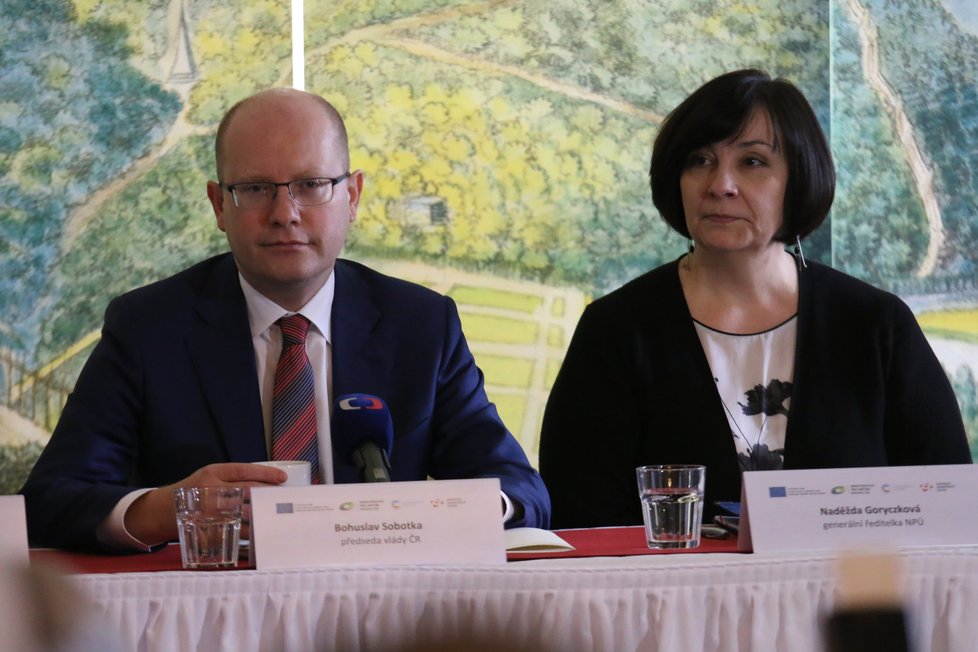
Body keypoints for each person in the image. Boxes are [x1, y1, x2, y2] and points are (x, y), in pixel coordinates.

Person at [21, 88, 550, 551]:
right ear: (218, 205)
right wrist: (169, 509)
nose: (284, 213)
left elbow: (519, 490)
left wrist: (447, 511)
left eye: (311, 184)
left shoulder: (421, 324)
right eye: (254, 189)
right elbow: (51, 500)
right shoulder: (148, 327)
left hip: (387, 614)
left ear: (353, 196)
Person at [539, 69, 971, 530]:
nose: (720, 184)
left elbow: (951, 504)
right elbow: (579, 520)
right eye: (699, 160)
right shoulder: (616, 329)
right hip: (673, 601)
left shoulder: (874, 324)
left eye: (752, 163)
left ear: (799, 178)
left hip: (854, 596)